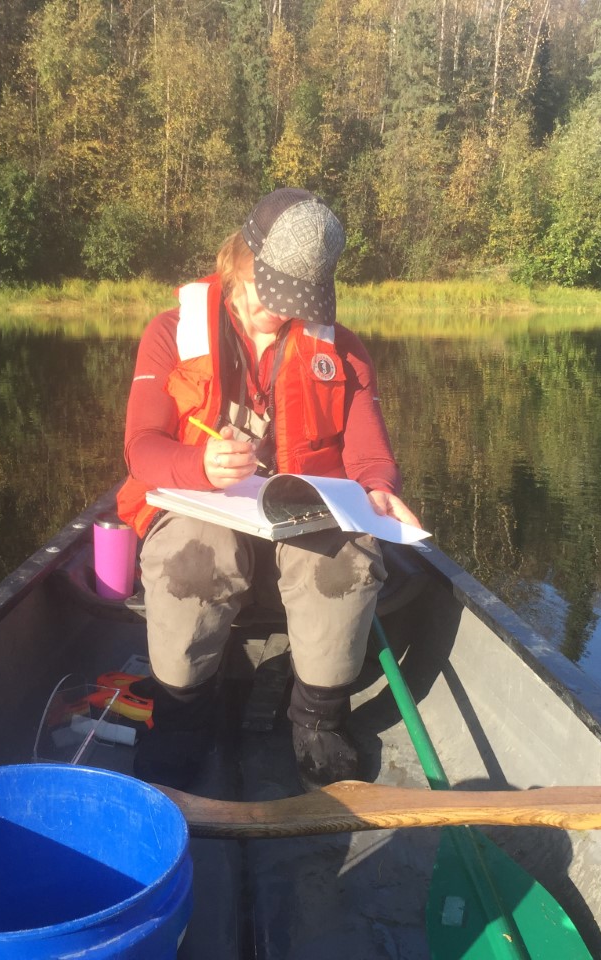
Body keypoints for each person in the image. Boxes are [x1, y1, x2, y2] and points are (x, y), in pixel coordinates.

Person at [115, 188, 420, 791]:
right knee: (190, 560)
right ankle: (182, 715)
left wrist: (379, 489)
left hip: (298, 513)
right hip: (201, 505)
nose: (277, 314)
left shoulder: (345, 349)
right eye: (268, 293)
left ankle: (318, 718)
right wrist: (199, 463)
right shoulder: (170, 332)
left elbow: (369, 455)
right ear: (240, 260)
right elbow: (142, 448)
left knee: (346, 563)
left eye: (295, 302)